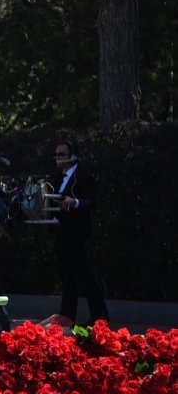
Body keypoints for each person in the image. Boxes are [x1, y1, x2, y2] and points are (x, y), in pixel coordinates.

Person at [51, 139, 108, 324]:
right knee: (66, 275)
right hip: (62, 232)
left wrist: (73, 202)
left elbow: (92, 201)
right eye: (56, 154)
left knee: (84, 274)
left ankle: (100, 316)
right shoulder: (58, 178)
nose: (58, 158)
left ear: (72, 157)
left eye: (62, 155)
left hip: (77, 233)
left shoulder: (82, 176)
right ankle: (67, 314)